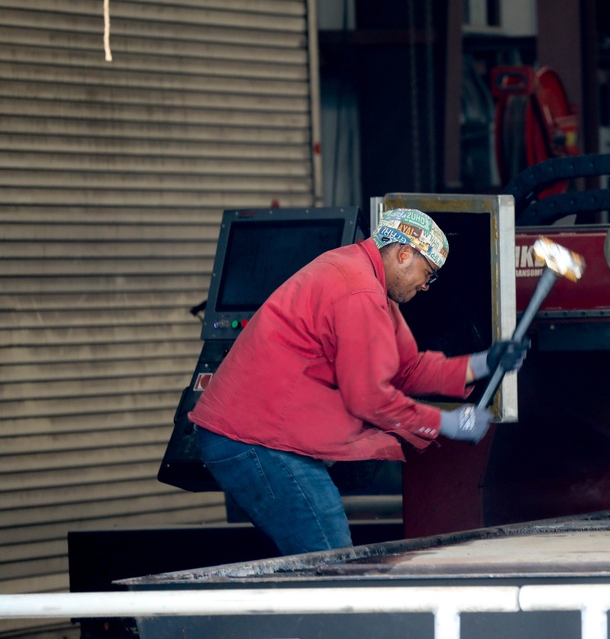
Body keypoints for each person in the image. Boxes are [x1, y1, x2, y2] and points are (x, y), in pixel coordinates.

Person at [189, 208, 526, 556]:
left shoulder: (364, 278)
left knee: (317, 554)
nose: (425, 286)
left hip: (260, 433)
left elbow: (404, 368)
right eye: (427, 274)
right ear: (404, 254)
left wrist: (481, 363)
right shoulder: (357, 290)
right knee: (330, 556)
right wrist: (446, 422)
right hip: (252, 439)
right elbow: (370, 399)